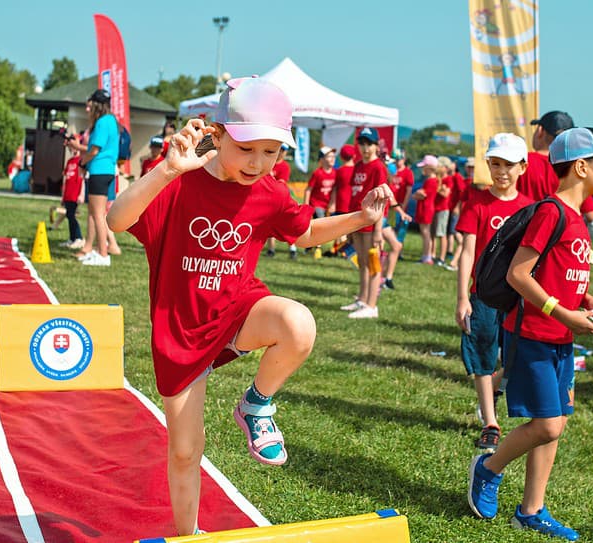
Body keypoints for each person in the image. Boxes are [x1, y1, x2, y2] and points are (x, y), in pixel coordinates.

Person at [106, 77, 392, 536]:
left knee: (298, 324)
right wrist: (165, 171)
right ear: (216, 136)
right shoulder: (179, 183)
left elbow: (302, 233)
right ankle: (188, 534)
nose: (258, 163)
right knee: (184, 451)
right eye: (246, 149)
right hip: (180, 332)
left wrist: (362, 218)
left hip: (238, 311)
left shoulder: (270, 190)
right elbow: (116, 219)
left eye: (271, 151)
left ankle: (255, 406)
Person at [468, 127, 593, 541]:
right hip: (534, 335)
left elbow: (557, 274)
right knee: (548, 425)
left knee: (556, 420)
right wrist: (563, 313)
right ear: (581, 167)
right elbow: (518, 274)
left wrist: (587, 299)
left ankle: (531, 509)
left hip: (560, 336)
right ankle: (487, 469)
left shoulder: (577, 219)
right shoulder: (551, 211)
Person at [456, 133, 533, 453]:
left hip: (517, 296)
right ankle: (490, 421)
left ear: (523, 168)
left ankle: (491, 392)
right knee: (483, 356)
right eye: (496, 164)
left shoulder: (530, 208)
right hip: (483, 296)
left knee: (517, 358)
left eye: (509, 165)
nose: (501, 171)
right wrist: (462, 297)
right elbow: (467, 252)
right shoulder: (477, 203)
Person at [338, 127, 389, 319]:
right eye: (362, 144)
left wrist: (378, 230)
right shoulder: (358, 166)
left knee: (372, 263)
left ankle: (371, 305)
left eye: (369, 144)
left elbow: (382, 200)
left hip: (371, 224)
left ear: (376, 146)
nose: (365, 148)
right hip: (358, 221)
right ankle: (362, 298)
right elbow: (354, 195)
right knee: (361, 262)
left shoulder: (378, 168)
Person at [66, 89, 119, 266]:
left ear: (96, 105)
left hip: (99, 170)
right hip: (106, 170)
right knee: (96, 213)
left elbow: (94, 151)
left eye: (90, 105)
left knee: (98, 215)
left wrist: (80, 157)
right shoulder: (111, 120)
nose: (88, 109)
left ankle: (103, 255)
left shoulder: (103, 122)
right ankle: (97, 251)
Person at [518, 111, 574, 201]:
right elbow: (591, 212)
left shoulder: (521, 162)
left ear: (540, 130)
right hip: (560, 214)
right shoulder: (573, 167)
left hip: (525, 214)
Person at [264, 144, 296, 258]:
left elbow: (282, 183)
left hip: (280, 199)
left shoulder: (284, 166)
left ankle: (292, 248)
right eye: (279, 149)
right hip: (267, 198)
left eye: (283, 150)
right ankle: (271, 249)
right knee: (269, 224)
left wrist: (270, 177)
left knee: (285, 224)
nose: (281, 152)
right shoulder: (268, 163)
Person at [412, 155, 439, 264]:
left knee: (425, 233)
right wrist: (418, 193)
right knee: (425, 233)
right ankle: (426, 255)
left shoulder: (431, 181)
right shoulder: (429, 180)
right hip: (425, 208)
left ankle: (427, 256)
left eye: (424, 167)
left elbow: (422, 195)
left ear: (430, 168)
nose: (422, 169)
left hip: (426, 209)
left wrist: (418, 193)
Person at [59, 140, 85, 249]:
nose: (72, 150)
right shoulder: (70, 161)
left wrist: (81, 194)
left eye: (73, 147)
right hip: (68, 193)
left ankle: (79, 238)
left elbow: (83, 178)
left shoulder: (81, 160)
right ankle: (72, 238)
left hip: (75, 193)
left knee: (71, 215)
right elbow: (66, 179)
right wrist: (63, 195)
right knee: (69, 215)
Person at [303, 146, 337, 219]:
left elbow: (335, 189)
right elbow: (308, 190)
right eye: (329, 156)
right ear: (322, 159)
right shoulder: (317, 173)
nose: (333, 159)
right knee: (321, 220)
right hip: (317, 204)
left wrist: (332, 203)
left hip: (328, 205)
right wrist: (306, 205)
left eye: (334, 156)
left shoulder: (335, 173)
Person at [389, 151, 414, 243]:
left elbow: (408, 191)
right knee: (390, 226)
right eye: (395, 160)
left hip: (401, 204)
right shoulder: (391, 171)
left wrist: (404, 205)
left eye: (398, 160)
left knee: (399, 228)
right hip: (391, 205)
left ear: (404, 159)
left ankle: (397, 249)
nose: (396, 162)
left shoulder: (408, 172)